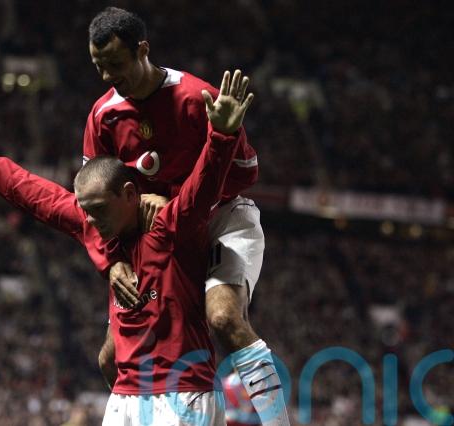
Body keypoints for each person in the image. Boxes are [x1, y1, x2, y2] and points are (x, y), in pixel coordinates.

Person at [0, 69, 250, 425]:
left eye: (98, 209)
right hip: (126, 397)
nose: (92, 221)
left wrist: (222, 134)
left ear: (129, 194)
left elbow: (205, 182)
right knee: (106, 358)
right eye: (86, 211)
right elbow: (43, 198)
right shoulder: (98, 226)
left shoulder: (174, 222)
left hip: (184, 393)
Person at [83, 7, 289, 425]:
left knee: (224, 319)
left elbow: (245, 174)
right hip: (157, 239)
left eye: (115, 64)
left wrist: (178, 202)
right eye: (98, 66)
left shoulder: (197, 99)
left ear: (143, 50)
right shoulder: (103, 117)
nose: (107, 76)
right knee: (110, 357)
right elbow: (91, 202)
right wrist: (113, 261)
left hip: (218, 218)